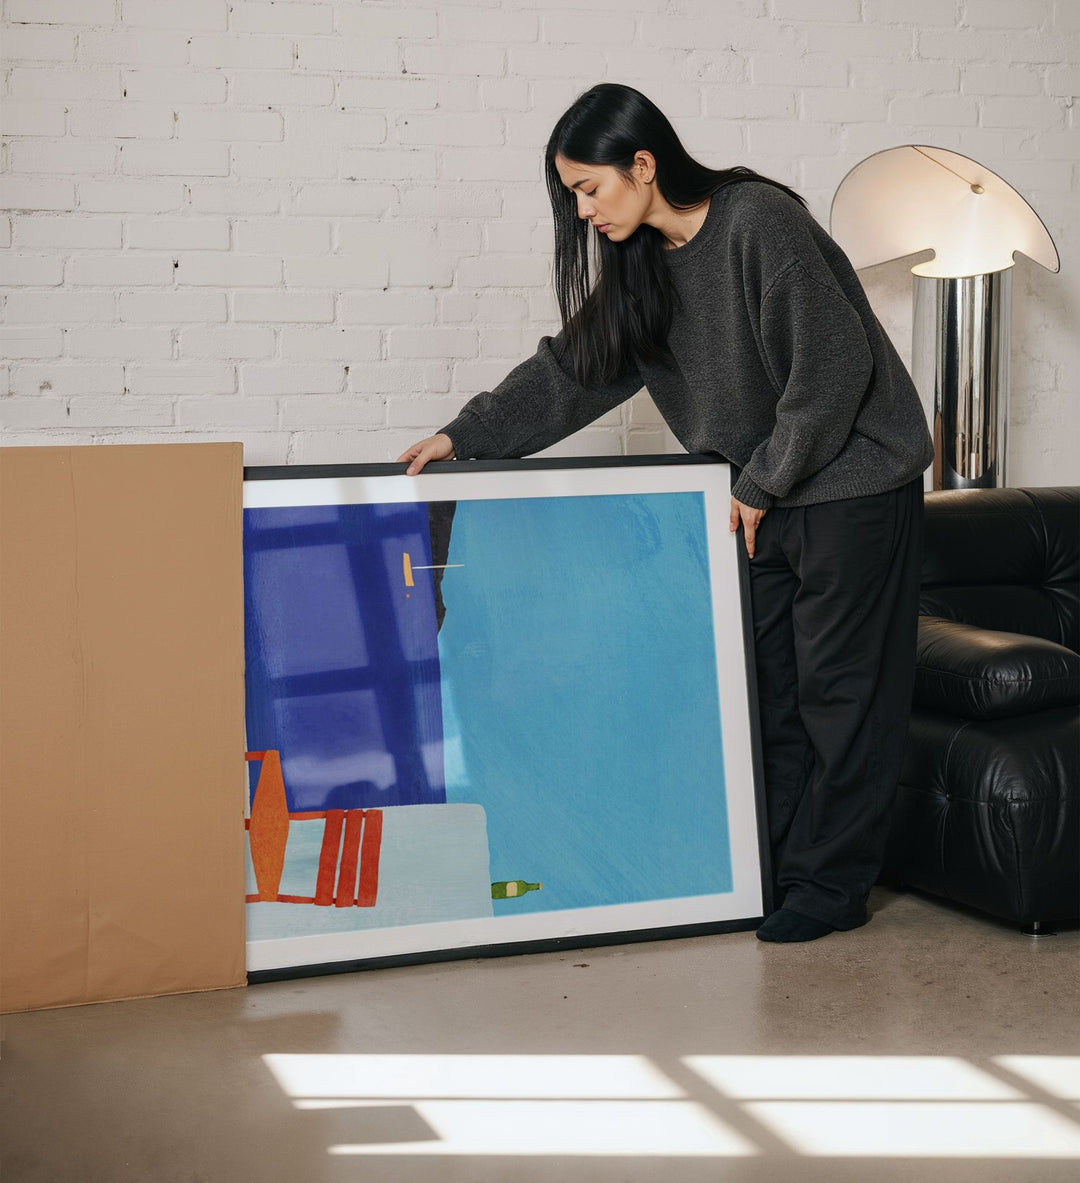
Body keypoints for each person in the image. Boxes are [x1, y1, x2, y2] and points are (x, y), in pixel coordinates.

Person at [398, 83, 934, 943]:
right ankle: (776, 871)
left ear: (643, 165)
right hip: (762, 493)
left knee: (843, 693)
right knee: (769, 695)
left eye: (590, 189)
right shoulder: (643, 264)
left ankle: (829, 888)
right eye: (571, 195)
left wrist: (762, 481)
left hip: (850, 480)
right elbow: (574, 370)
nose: (582, 212)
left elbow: (831, 371)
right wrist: (467, 435)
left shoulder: (757, 222)